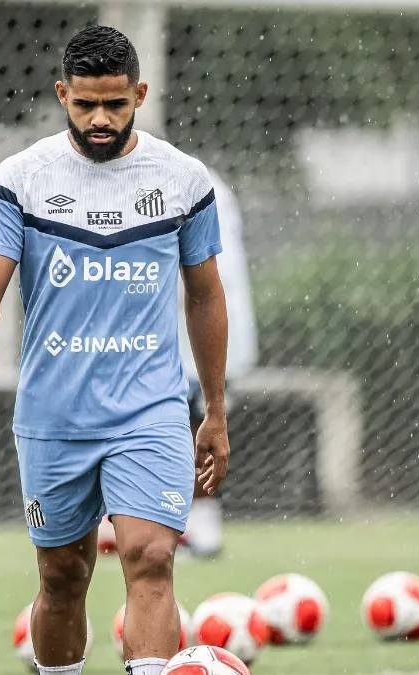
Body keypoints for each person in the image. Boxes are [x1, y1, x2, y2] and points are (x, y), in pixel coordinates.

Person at [0, 25, 230, 675]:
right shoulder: (21, 178)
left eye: (115, 103)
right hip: (55, 415)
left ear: (140, 93)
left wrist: (212, 409)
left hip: (151, 410)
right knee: (63, 572)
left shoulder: (183, 179)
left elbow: (206, 297)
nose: (100, 118)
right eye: (85, 105)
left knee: (152, 558)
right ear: (61, 95)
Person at [179, 171, 258, 559]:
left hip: (202, 338)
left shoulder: (197, 185)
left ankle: (203, 524)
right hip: (167, 339)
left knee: (200, 424)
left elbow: (209, 273)